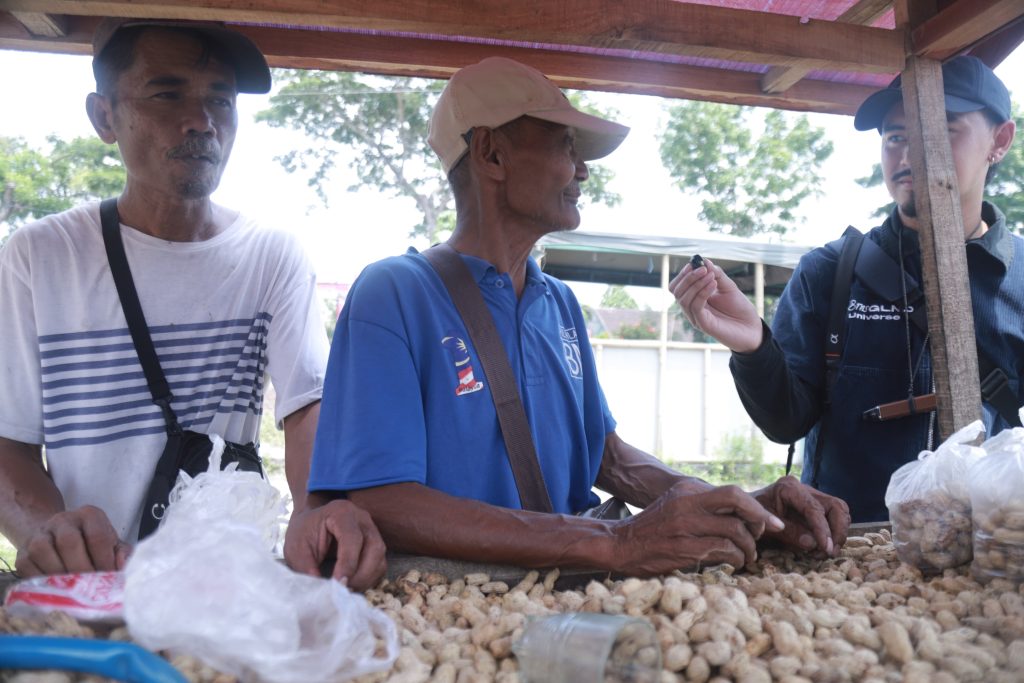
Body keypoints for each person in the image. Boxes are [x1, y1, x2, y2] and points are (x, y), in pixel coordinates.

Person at [287, 57, 850, 576]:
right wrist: (615, 543)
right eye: (565, 145)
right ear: (491, 154)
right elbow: (381, 499)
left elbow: (607, 457)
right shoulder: (393, 293)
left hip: (569, 589)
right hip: (455, 604)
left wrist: (745, 509)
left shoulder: (559, 303)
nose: (582, 169)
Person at [0, 18, 384, 588]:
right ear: (104, 116)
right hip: (92, 585)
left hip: (225, 583)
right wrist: (50, 531)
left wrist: (315, 509)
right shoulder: (39, 256)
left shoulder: (271, 255)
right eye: (167, 93)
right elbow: (9, 445)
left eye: (221, 100)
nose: (201, 121)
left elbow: (305, 406)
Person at [670, 55, 1021, 523]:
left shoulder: (1019, 279)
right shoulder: (830, 271)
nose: (909, 154)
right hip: (845, 553)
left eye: (942, 129)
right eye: (896, 136)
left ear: (999, 141)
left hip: (986, 554)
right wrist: (754, 346)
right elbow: (786, 422)